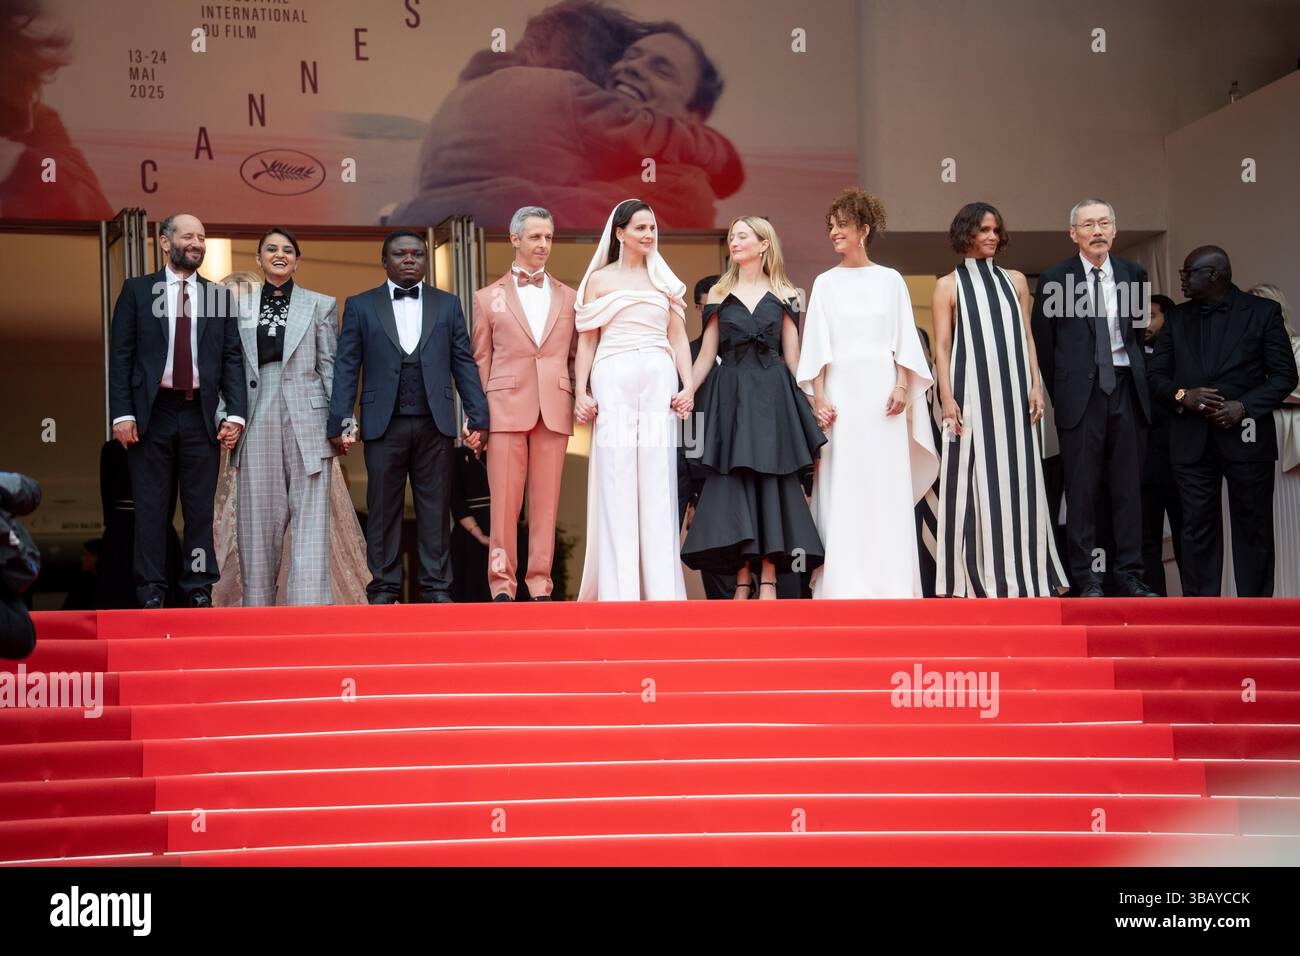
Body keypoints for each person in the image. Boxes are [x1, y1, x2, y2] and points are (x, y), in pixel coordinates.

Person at [389, 0, 742, 231]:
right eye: (629, 56)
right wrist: (717, 151)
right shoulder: (572, 99)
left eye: (662, 70)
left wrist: (413, 214)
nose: (631, 69)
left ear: (695, 114)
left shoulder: (679, 187)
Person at [327, 231, 489, 604]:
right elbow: (347, 366)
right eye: (400, 254)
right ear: (384, 262)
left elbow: (463, 361)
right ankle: (383, 588)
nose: (410, 259)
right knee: (383, 508)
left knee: (435, 508)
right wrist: (340, 421)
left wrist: (478, 415)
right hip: (384, 423)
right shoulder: (361, 305)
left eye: (417, 254)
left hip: (436, 422)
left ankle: (436, 588)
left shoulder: (447, 304)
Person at [796, 190, 936, 598]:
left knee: (884, 484)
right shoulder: (824, 283)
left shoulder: (890, 280)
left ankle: (891, 584)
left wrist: (900, 386)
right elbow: (817, 348)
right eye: (831, 226)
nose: (834, 232)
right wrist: (819, 398)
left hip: (882, 397)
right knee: (843, 485)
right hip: (841, 397)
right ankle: (844, 585)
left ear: (864, 229)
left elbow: (905, 343)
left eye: (842, 224)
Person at [108, 213, 247, 608]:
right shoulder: (137, 291)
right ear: (166, 243)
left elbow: (231, 358)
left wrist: (234, 414)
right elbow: (122, 357)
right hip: (152, 415)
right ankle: (151, 590)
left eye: (202, 237)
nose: (197, 243)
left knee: (200, 510)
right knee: (151, 508)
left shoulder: (219, 296)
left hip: (199, 413)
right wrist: (122, 414)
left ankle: (198, 589)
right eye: (188, 236)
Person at [681, 216, 825, 598]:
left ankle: (770, 578)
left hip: (773, 396)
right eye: (731, 237)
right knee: (734, 485)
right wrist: (687, 391)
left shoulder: (787, 293)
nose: (734, 242)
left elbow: (794, 359)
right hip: (730, 396)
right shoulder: (717, 293)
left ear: (764, 244)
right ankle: (742, 578)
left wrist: (815, 401)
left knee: (772, 484)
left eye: (742, 236)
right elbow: (706, 356)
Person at [930, 202, 1067, 598]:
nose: (992, 237)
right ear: (966, 233)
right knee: (971, 482)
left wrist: (1035, 385)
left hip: (1014, 394)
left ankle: (1026, 575)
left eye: (995, 230)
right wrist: (947, 396)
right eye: (984, 230)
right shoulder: (946, 285)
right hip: (969, 393)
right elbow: (942, 344)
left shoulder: (1017, 280)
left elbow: (1027, 336)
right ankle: (973, 580)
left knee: (1019, 481)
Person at [1147, 247, 1298, 597]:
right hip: (1191, 439)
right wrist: (1185, 396)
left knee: (1253, 527)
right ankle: (1202, 614)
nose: (1182, 279)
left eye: (1189, 273)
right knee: (1196, 529)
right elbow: (1155, 376)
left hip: (1245, 436)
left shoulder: (1263, 312)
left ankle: (1255, 613)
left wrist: (1242, 407)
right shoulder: (1178, 318)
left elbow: (1283, 376)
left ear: (1214, 274)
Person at [204, 230, 338, 606]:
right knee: (257, 521)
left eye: (288, 250)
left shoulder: (320, 304)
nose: (280, 255)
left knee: (311, 522)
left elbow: (330, 368)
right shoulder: (238, 305)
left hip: (308, 414)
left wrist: (340, 422)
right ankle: (258, 614)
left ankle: (309, 618)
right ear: (259, 258)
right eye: (271, 249)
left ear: (297, 260)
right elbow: (224, 367)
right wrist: (223, 416)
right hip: (254, 408)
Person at [1031, 199, 1157, 598]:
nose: (1097, 231)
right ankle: (1086, 578)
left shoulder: (1134, 275)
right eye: (1088, 225)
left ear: (1115, 230)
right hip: (1080, 397)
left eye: (1104, 223)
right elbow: (1045, 346)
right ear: (1074, 234)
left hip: (1125, 389)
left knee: (1128, 489)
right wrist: (1064, 392)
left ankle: (1131, 574)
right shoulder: (1055, 279)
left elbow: (1138, 337)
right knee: (1081, 490)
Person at [573, 199, 693, 601]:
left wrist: (687, 385)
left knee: (659, 479)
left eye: (653, 228)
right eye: (640, 228)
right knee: (616, 477)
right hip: (613, 377)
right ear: (619, 233)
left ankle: (661, 591)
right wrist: (580, 392)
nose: (648, 235)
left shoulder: (664, 279)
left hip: (658, 378)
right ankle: (619, 590)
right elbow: (587, 341)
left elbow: (677, 337)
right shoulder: (599, 281)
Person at [470, 206, 578, 601]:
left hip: (554, 407)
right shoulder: (487, 298)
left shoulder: (570, 297)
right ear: (514, 239)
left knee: (546, 504)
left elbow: (575, 356)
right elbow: (480, 360)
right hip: (503, 409)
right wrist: (476, 418)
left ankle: (539, 585)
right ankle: (501, 583)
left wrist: (579, 396)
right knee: (504, 505)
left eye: (548, 237)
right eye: (535, 237)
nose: (543, 245)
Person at [677, 273, 735, 600]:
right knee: (716, 554)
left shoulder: (752, 351)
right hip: (704, 472)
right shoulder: (688, 355)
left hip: (744, 465)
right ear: (701, 309)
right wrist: (697, 493)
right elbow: (688, 418)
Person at [1244, 284, 1300, 597]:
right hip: (1250, 440)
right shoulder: (1240, 353)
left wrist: (1258, 395)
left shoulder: (1297, 346)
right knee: (1256, 522)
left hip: (1289, 443)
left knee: (1291, 524)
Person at [1139, 294, 1185, 594]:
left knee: (1188, 535)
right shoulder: (1131, 356)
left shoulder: (1184, 354)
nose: (1144, 322)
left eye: (1152, 315)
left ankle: (1196, 603)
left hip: (1182, 460)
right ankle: (1154, 605)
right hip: (1143, 462)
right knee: (1147, 538)